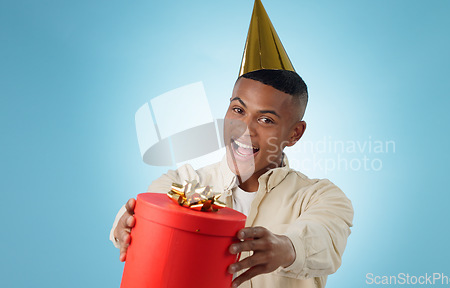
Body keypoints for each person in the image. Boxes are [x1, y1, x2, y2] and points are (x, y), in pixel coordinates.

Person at [111, 2, 353, 287]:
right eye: (238, 110)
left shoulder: (320, 197)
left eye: (266, 120)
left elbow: (325, 239)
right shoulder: (181, 182)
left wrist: (287, 247)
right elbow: (146, 212)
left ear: (295, 134)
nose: (243, 130)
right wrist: (127, 224)